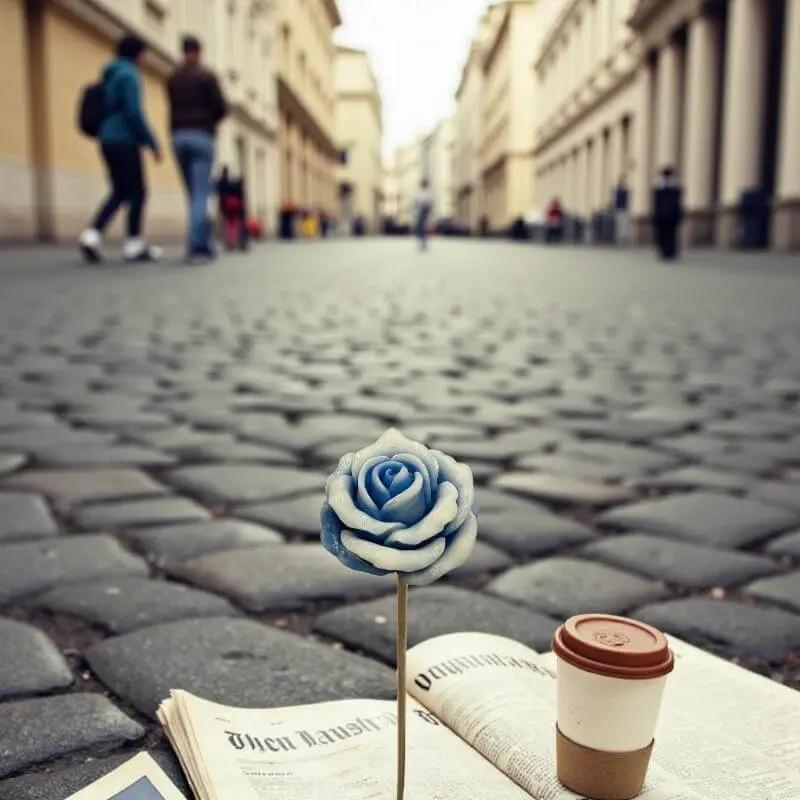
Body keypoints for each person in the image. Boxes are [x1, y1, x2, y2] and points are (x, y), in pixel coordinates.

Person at [79, 34, 162, 264]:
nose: (145, 59)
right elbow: (134, 113)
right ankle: (133, 244)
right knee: (138, 192)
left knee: (120, 191)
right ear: (137, 54)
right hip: (124, 139)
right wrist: (152, 143)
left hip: (107, 138)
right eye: (144, 54)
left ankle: (92, 235)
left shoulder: (110, 74)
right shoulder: (129, 75)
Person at [168, 35, 228, 263]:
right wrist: (210, 122)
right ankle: (197, 245)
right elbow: (221, 108)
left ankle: (202, 241)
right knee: (201, 193)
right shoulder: (206, 76)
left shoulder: (173, 77)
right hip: (202, 136)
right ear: (199, 52)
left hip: (179, 136)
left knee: (192, 193)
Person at [652, 167, 684, 260]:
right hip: (666, 216)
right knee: (667, 234)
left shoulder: (672, 188)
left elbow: (657, 204)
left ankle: (669, 252)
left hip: (667, 216)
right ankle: (667, 252)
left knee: (668, 234)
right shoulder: (662, 188)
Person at [217, 166, 248, 251]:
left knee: (228, 224)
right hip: (236, 207)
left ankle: (229, 242)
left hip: (226, 207)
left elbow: (219, 193)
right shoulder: (234, 185)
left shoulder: (222, 182)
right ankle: (237, 242)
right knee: (235, 224)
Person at [412, 179, 433, 251]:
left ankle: (424, 243)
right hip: (420, 211)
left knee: (424, 228)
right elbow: (415, 203)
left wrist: (430, 213)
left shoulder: (428, 193)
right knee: (420, 228)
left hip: (425, 211)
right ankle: (421, 242)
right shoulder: (418, 193)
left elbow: (430, 204)